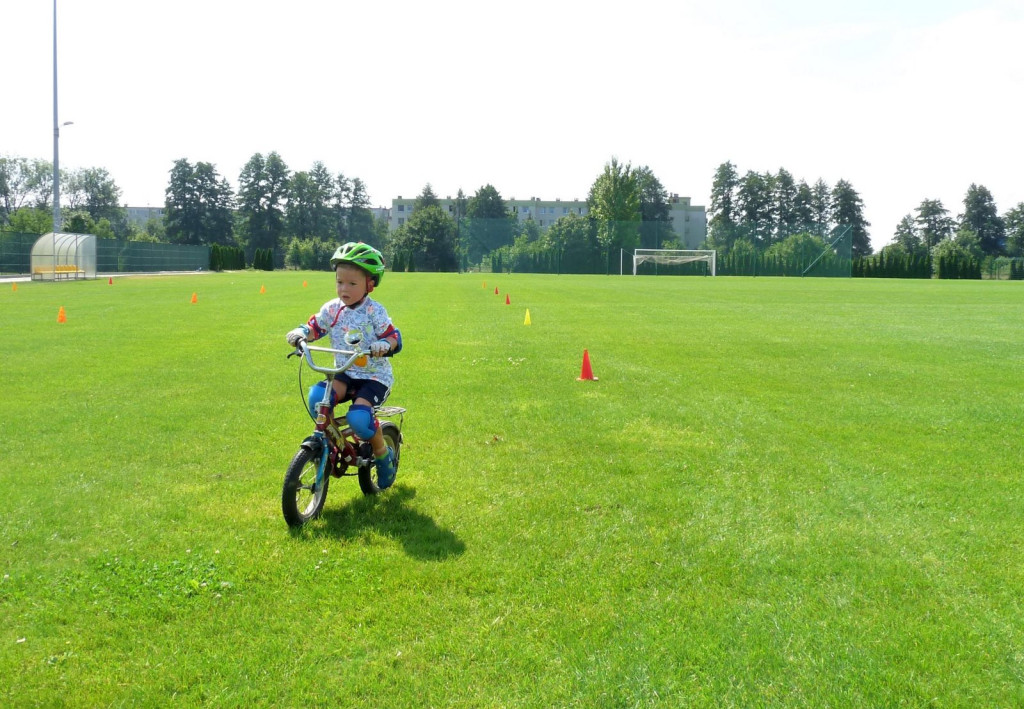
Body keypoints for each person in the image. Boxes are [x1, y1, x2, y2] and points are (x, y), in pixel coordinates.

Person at [286, 242, 402, 488]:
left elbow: (394, 337)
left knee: (360, 419)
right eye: (340, 282)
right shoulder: (332, 309)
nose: (344, 289)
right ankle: (333, 442)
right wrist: (301, 333)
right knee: (317, 397)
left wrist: (384, 345)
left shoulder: (374, 311)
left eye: (352, 284)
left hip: (374, 377)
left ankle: (382, 454)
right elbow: (315, 326)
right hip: (345, 372)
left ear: (369, 284)